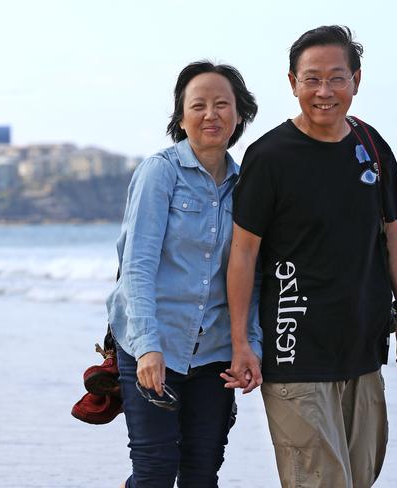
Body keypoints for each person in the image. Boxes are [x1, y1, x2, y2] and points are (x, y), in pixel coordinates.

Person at [223, 26, 397, 488]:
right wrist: (240, 342)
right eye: (311, 79)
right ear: (291, 82)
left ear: (356, 79)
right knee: (317, 481)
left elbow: (391, 234)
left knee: (359, 477)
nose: (324, 91)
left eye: (337, 78)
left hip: (363, 347)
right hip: (294, 349)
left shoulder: (371, 145)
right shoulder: (270, 156)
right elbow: (243, 253)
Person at [105, 60, 260, 488]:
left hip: (215, 352)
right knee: (154, 473)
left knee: (201, 473)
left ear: (239, 114)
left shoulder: (247, 184)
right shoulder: (161, 172)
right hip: (154, 343)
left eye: (222, 104)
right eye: (199, 105)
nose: (211, 114)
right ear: (180, 117)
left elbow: (253, 275)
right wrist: (148, 348)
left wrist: (252, 346)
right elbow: (137, 266)